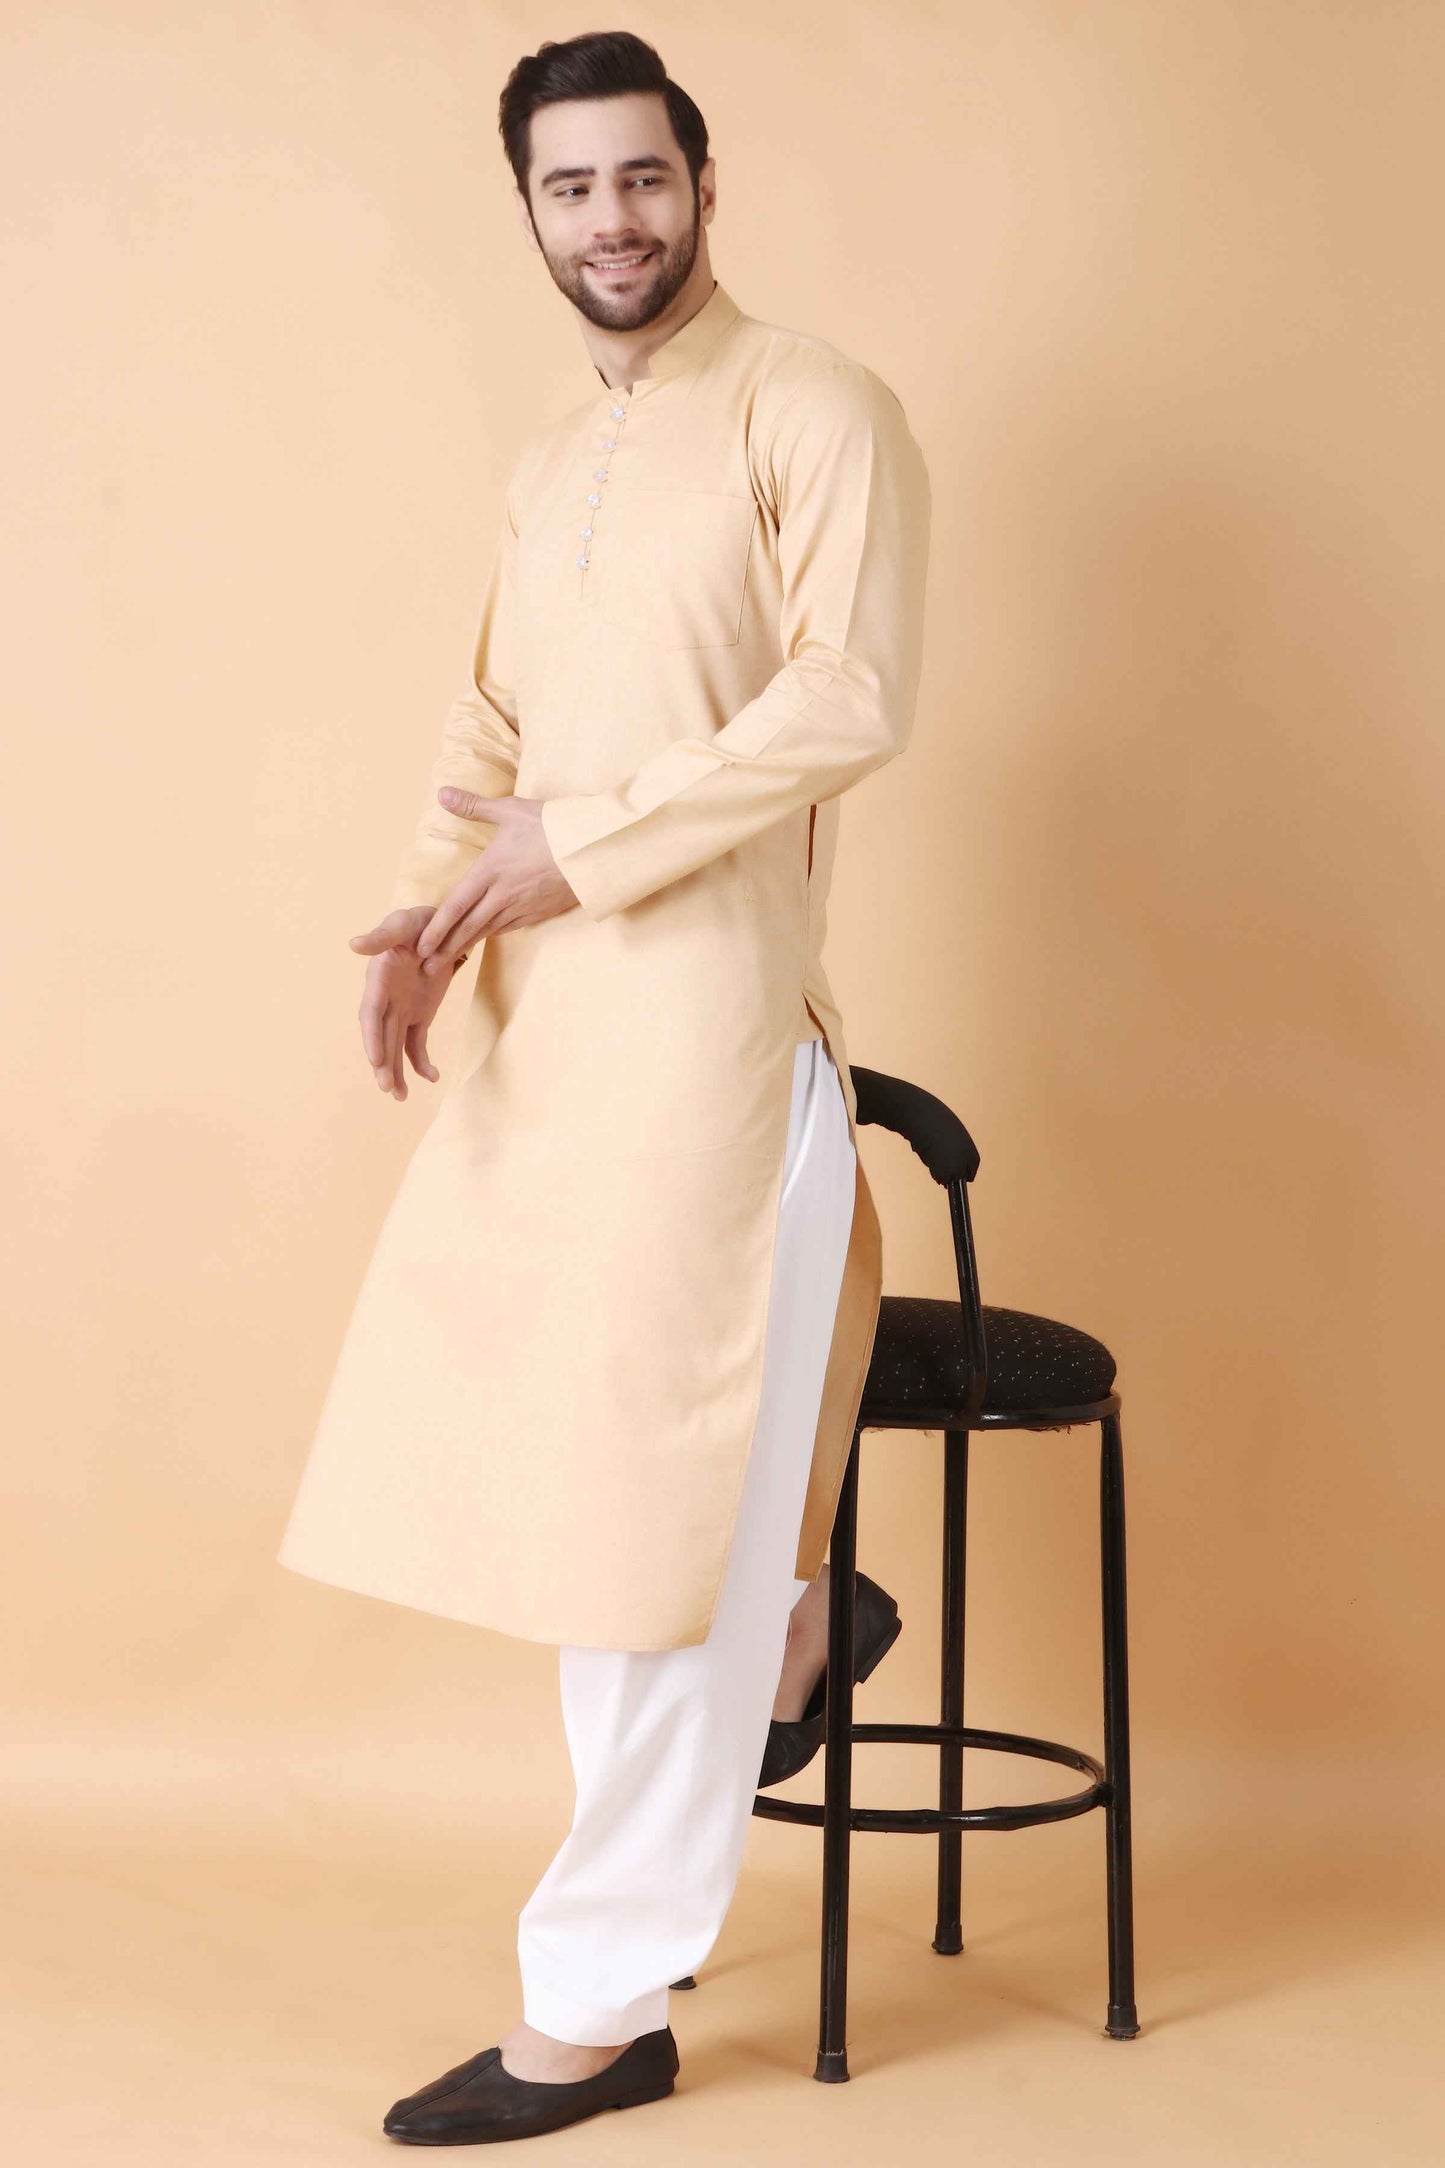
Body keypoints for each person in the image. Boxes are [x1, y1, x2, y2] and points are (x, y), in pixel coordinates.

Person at [275, 28, 931, 2145]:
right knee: (594, 1526)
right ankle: (801, 1637)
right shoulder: (553, 463)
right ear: (531, 214)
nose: (612, 220)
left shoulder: (813, 406)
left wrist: (589, 844)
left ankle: (596, 2003)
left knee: (657, 1536)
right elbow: (490, 729)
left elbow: (850, 692)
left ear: (705, 185)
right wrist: (427, 917)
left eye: (642, 177)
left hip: (717, 1053)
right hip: (557, 1052)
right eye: (570, 188)